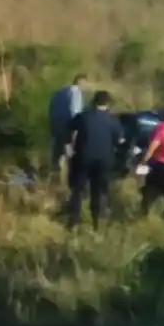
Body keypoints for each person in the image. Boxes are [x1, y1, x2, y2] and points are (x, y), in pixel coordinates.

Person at [65, 90, 124, 230]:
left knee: (78, 190)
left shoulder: (83, 117)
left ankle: (74, 222)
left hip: (83, 158)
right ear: (108, 104)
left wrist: (70, 147)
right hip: (104, 160)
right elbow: (121, 140)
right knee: (98, 191)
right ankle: (97, 223)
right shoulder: (113, 120)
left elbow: (69, 130)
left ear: (93, 102)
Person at [48, 74, 88, 176]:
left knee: (56, 154)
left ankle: (53, 176)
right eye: (85, 83)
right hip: (68, 128)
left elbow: (52, 108)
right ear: (80, 82)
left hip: (55, 126)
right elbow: (75, 113)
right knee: (69, 155)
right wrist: (77, 131)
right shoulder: (76, 93)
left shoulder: (60, 92)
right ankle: (67, 179)